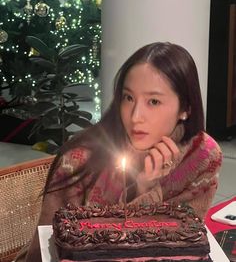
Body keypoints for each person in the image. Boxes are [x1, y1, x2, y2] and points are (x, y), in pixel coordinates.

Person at [16, 42, 222, 262]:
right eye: (128, 98)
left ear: (185, 108)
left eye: (153, 101)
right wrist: (144, 191)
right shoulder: (79, 158)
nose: (135, 117)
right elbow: (47, 250)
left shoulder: (202, 156)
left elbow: (184, 244)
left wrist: (149, 191)